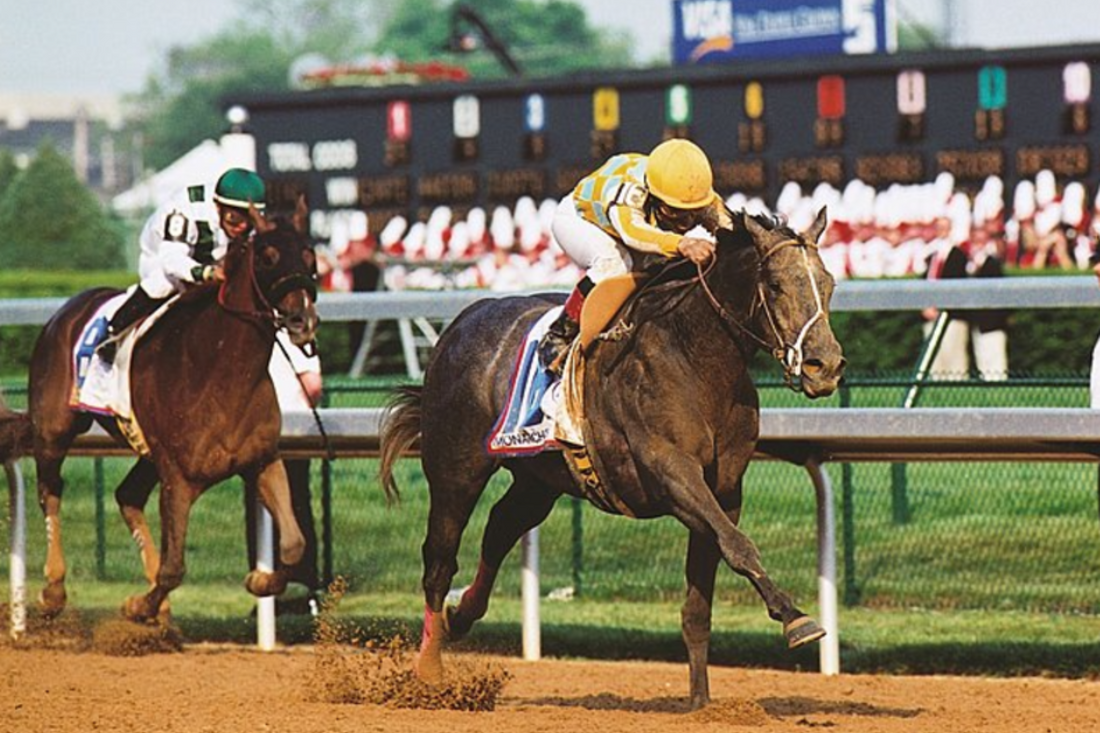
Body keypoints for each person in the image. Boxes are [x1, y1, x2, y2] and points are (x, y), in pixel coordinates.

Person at [539, 138, 728, 373]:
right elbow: (633, 234)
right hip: (581, 220)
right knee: (615, 264)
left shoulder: (694, 191)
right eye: (675, 212)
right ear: (655, 196)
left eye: (692, 213)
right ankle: (559, 335)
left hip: (625, 227)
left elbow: (729, 225)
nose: (686, 222)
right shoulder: (630, 191)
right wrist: (681, 243)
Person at [97, 167, 267, 363]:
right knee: (164, 283)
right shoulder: (185, 210)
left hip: (212, 260)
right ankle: (113, 332)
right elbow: (172, 260)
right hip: (161, 257)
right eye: (234, 218)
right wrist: (208, 273)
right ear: (218, 206)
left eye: (249, 219)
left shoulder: (246, 220)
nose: (242, 226)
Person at [245, 328, 324, 612]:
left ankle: (268, 593)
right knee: (297, 504)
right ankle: (304, 587)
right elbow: (313, 386)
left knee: (258, 506)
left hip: (253, 432)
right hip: (294, 430)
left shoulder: (249, 331)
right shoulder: (297, 327)